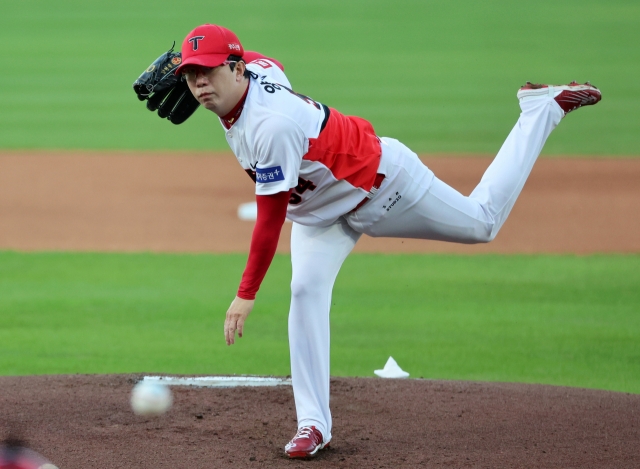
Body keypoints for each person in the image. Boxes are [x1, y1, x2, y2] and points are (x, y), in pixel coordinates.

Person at [174, 23, 601, 459]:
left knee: (482, 224)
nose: (199, 84)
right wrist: (202, 64)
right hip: (321, 215)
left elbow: (269, 220)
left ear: (236, 68)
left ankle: (539, 110)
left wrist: (245, 294)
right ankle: (313, 425)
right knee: (304, 290)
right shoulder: (256, 73)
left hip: (387, 185)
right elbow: (271, 62)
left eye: (208, 71)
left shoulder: (272, 126)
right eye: (191, 75)